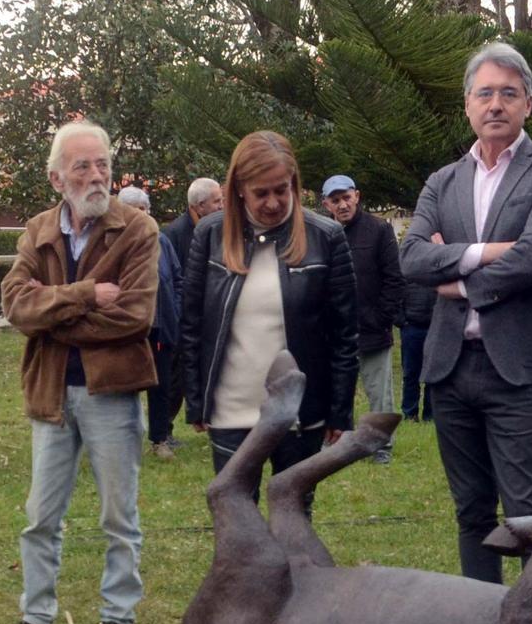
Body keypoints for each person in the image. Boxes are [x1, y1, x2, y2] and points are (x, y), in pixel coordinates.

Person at [399, 42, 532, 583]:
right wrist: (490, 252)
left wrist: (456, 281)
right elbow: (411, 256)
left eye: (509, 93)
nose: (496, 104)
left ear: (528, 103)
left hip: (518, 370)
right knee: (471, 511)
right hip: (450, 368)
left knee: (527, 512)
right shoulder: (442, 181)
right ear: (467, 105)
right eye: (485, 93)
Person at [0, 120, 158, 624]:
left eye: (102, 163)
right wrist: (87, 294)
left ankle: (116, 622)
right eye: (82, 166)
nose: (96, 175)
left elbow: (134, 317)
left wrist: (54, 310)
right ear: (57, 178)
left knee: (119, 516)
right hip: (51, 395)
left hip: (111, 393)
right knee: (41, 515)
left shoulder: (137, 230)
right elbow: (16, 306)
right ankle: (36, 618)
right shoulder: (38, 231)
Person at [181, 132, 358, 506]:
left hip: (299, 412)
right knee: (236, 523)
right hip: (231, 408)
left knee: (293, 520)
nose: (274, 203)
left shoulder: (326, 238)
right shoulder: (209, 234)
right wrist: (196, 398)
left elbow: (344, 333)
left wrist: (339, 410)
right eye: (262, 193)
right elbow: (192, 321)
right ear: (239, 189)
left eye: (283, 190)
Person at [321, 174, 404, 464]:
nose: (342, 204)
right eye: (335, 200)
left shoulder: (379, 230)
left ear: (357, 196)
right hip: (332, 331)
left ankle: (382, 446)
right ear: (326, 204)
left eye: (346, 197)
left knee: (379, 394)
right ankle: (333, 443)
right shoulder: (322, 233)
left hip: (372, 329)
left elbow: (394, 279)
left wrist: (382, 318)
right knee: (332, 390)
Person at [117, 185, 184, 460]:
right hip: (128, 330)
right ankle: (122, 442)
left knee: (162, 386)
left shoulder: (162, 241)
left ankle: (160, 439)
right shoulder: (113, 243)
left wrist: (175, 311)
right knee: (125, 388)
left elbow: (178, 280)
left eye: (145, 209)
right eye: (135, 210)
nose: (142, 215)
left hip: (161, 327)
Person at [160, 177, 222, 270]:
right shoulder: (174, 234)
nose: (222, 206)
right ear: (201, 205)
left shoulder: (218, 226)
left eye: (222, 200)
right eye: (217, 201)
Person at [400, 275, 435, 422]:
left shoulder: (437, 270)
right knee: (410, 374)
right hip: (411, 328)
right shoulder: (406, 269)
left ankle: (430, 415)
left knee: (433, 375)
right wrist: (401, 321)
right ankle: (409, 414)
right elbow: (396, 294)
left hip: (434, 328)